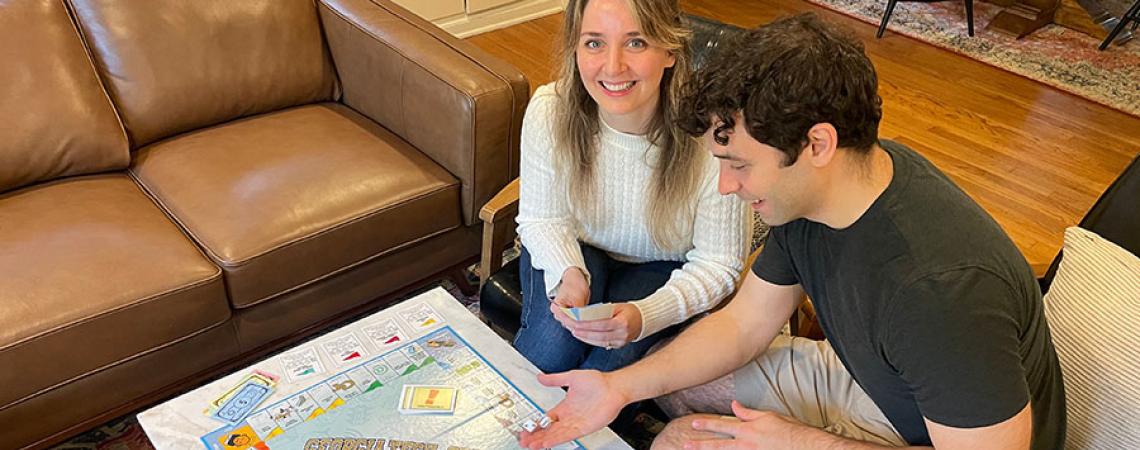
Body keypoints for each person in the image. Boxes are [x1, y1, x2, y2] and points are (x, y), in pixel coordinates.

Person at [519, 13, 1066, 450]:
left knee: (678, 441)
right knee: (669, 380)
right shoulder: (820, 193)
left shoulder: (939, 292)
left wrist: (795, 440)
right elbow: (742, 325)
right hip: (870, 382)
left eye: (739, 163)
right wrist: (616, 387)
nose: (726, 186)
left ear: (818, 144)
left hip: (939, 434)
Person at [513, 0, 751, 377]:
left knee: (607, 371)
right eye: (594, 43)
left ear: (670, 49)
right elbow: (542, 219)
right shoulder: (550, 110)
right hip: (577, 247)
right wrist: (567, 273)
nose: (613, 66)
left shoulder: (713, 136)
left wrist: (646, 317)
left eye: (636, 42)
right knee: (548, 354)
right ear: (575, 48)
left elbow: (720, 265)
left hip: (665, 266)